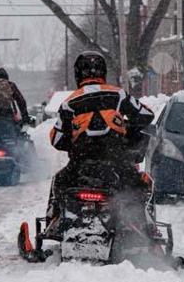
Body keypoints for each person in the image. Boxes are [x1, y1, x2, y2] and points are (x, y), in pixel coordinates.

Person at [46, 51, 155, 230]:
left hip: (80, 166)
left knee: (59, 182)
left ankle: (54, 224)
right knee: (138, 187)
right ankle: (145, 229)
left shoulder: (69, 103)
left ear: (77, 74)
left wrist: (73, 139)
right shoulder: (118, 94)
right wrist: (127, 128)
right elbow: (146, 115)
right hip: (117, 162)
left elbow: (57, 139)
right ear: (103, 72)